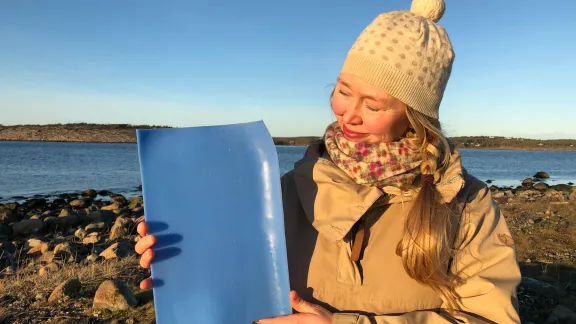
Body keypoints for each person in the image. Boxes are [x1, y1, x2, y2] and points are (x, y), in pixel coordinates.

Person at [135, 0, 522, 323]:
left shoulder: (465, 205)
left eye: (373, 105)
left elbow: (491, 316)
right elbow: (241, 291)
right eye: (342, 91)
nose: (347, 114)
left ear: (415, 116)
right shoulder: (281, 189)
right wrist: (184, 265)